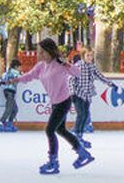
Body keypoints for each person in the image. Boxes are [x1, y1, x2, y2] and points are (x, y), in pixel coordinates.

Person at [5, 38, 91, 174]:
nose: (40, 54)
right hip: (55, 103)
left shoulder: (60, 64)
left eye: (42, 52)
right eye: (39, 52)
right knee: (60, 130)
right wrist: (16, 79)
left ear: (50, 51)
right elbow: (30, 75)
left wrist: (67, 64)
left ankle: (53, 162)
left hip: (64, 101)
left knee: (49, 130)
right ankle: (83, 153)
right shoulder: (41, 66)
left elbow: (77, 73)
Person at [69, 44, 116, 143]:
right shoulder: (78, 66)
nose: (90, 58)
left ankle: (80, 135)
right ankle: (76, 134)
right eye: (88, 55)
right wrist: (72, 93)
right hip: (78, 94)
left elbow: (100, 76)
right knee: (81, 114)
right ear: (83, 56)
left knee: (85, 115)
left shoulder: (92, 66)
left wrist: (111, 84)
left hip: (88, 95)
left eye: (91, 55)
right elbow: (70, 80)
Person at [0, 57, 21, 132]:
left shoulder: (6, 73)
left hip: (6, 91)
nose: (20, 68)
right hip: (10, 92)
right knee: (9, 108)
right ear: (16, 66)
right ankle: (1, 123)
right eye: (19, 67)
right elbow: (20, 79)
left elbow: (2, 82)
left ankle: (9, 123)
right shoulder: (16, 72)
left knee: (15, 109)